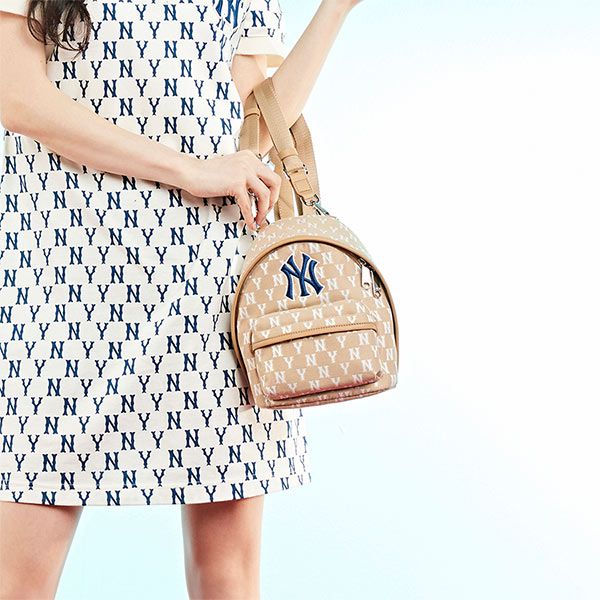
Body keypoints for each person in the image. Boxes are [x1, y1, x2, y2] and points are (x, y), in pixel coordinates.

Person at [0, 0, 361, 597]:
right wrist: (187, 169)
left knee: (228, 578)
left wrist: (336, 9)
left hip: (212, 296)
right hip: (69, 294)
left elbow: (258, 118)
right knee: (18, 581)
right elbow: (17, 97)